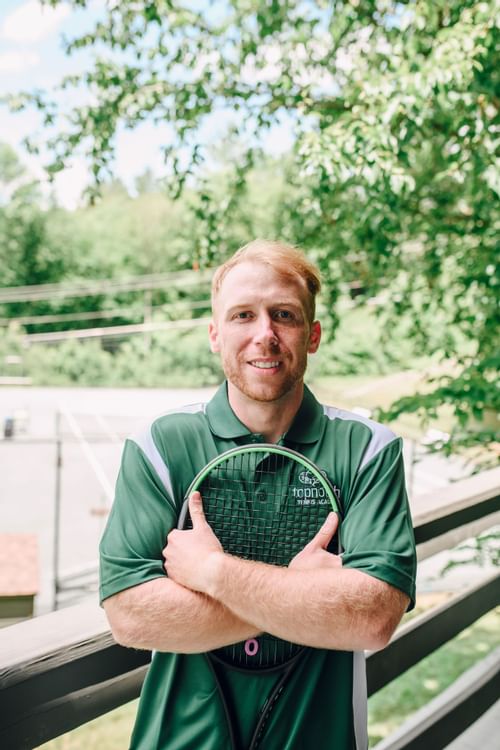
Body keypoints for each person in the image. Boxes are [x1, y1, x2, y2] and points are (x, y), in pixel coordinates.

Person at [99, 239, 417, 750]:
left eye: (284, 316)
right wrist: (304, 594)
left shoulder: (369, 450)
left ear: (312, 336)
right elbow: (130, 615)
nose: (264, 335)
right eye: (243, 315)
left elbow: (373, 618)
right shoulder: (159, 444)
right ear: (214, 334)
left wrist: (213, 574)